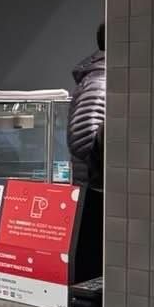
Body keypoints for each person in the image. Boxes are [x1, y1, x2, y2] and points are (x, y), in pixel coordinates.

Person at [68, 22, 106, 190]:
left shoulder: (105, 76)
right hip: (96, 191)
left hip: (100, 188)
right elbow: (83, 140)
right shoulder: (101, 80)